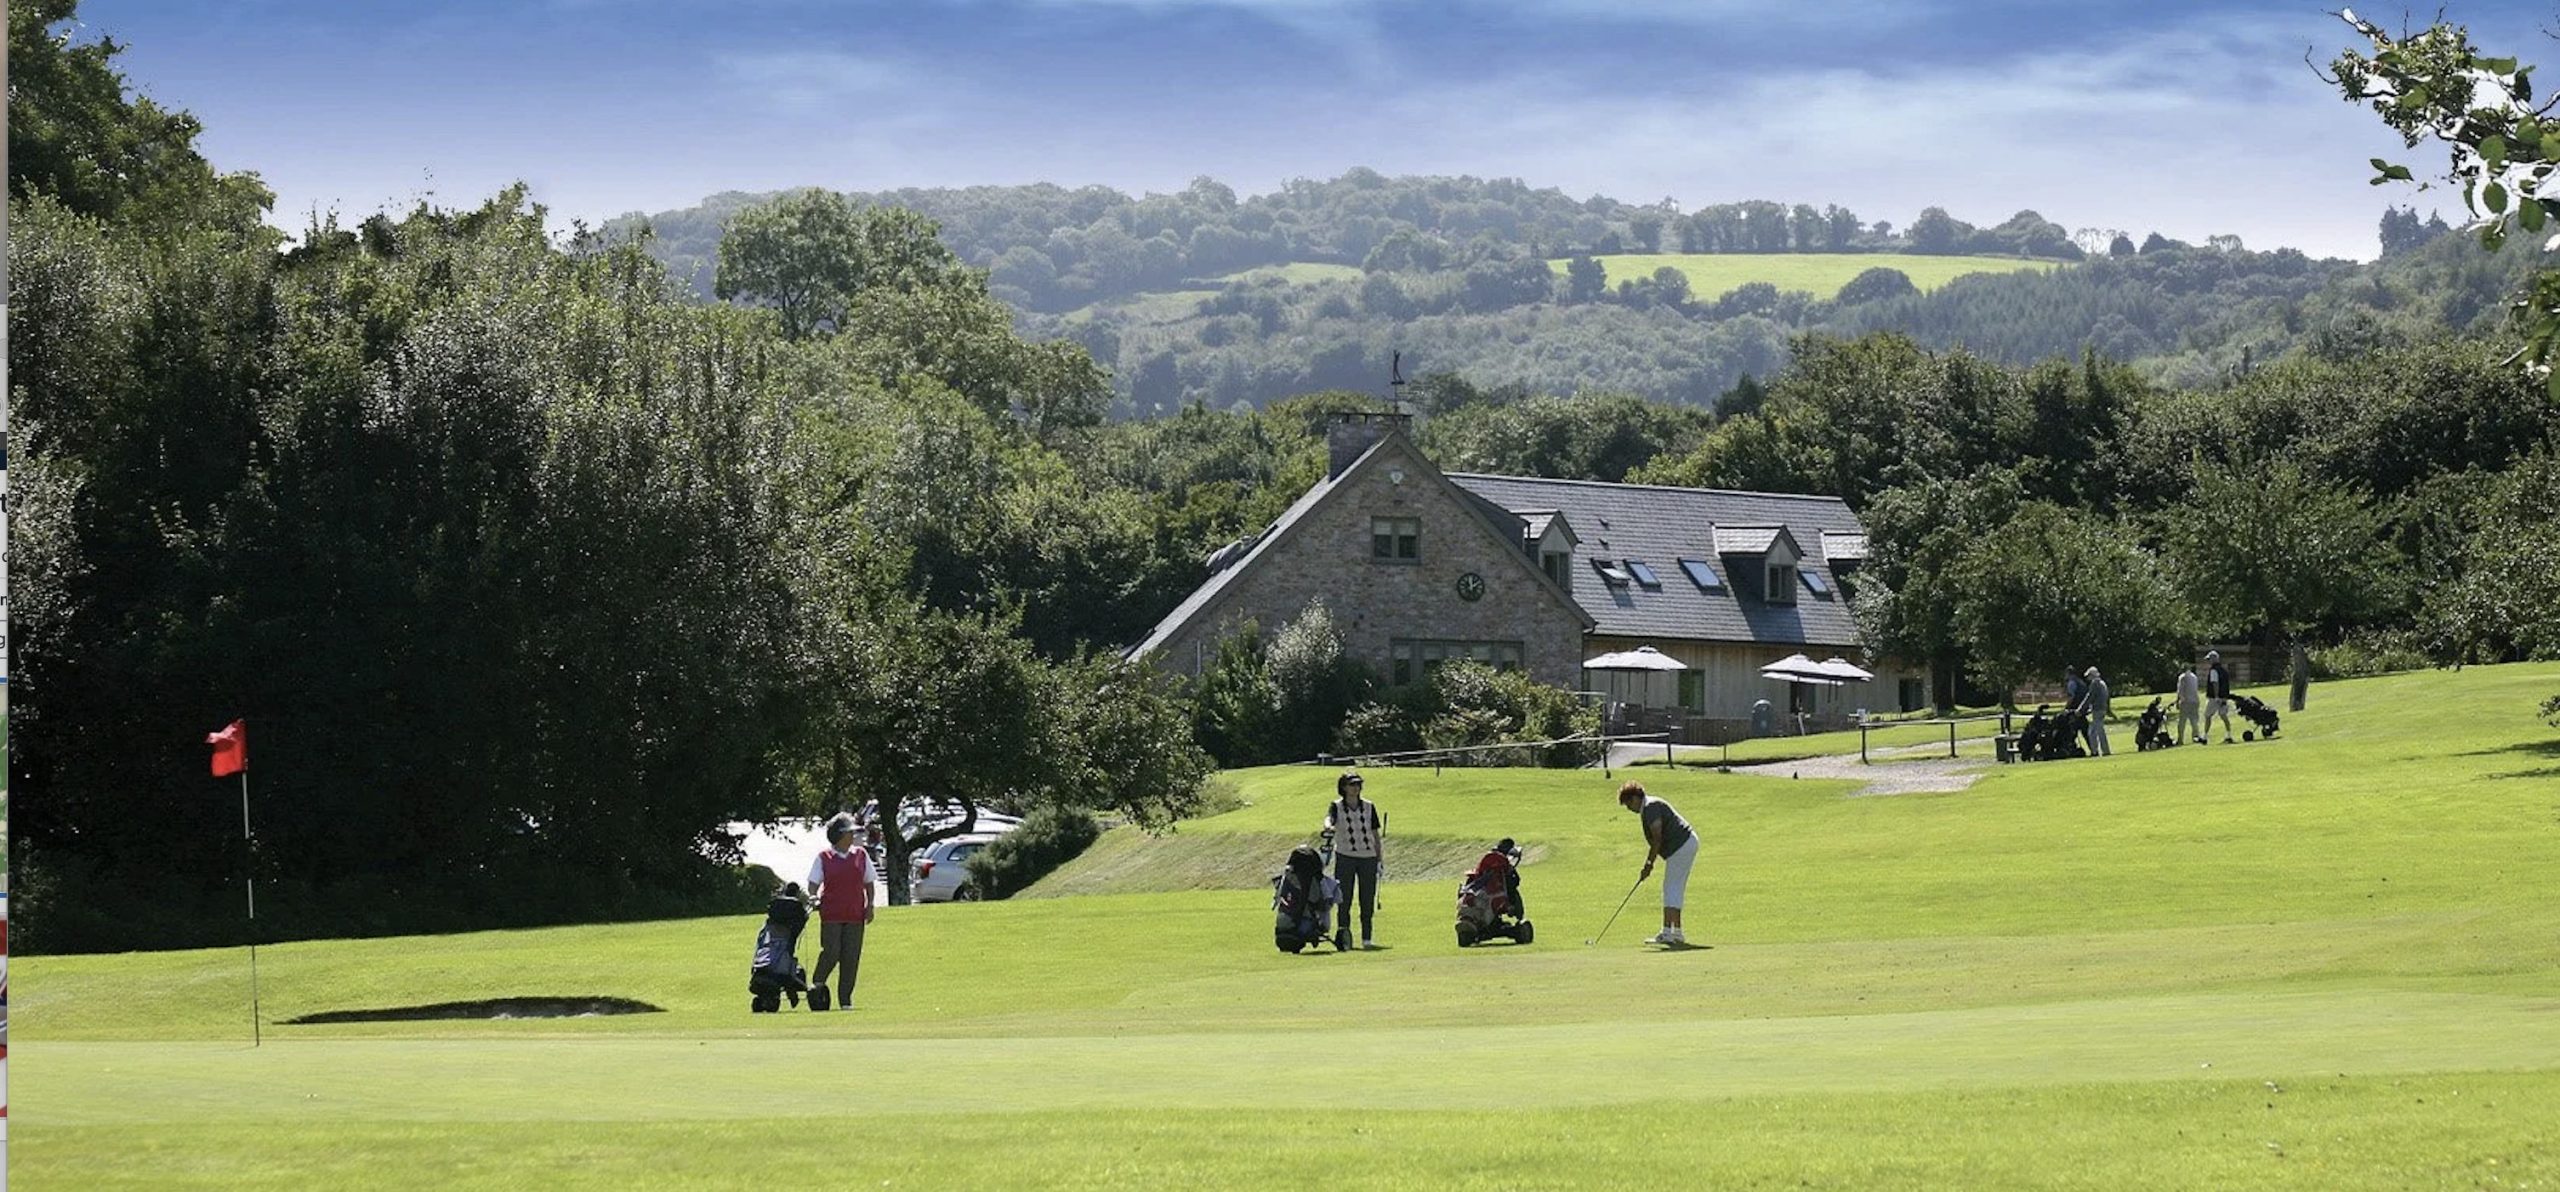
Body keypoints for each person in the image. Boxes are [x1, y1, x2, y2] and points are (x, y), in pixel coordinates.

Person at [805, 812, 875, 1011]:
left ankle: (845, 1000)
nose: (852, 836)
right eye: (848, 833)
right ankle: (817, 985)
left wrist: (869, 905)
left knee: (851, 957)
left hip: (855, 914)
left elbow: (868, 882)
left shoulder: (861, 855)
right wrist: (813, 896)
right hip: (832, 914)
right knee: (832, 952)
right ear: (838, 835)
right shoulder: (824, 857)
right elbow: (813, 883)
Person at [1618, 780, 1696, 946]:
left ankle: (1668, 932)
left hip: (1681, 845)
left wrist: (1648, 864)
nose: (1629, 808)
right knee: (1675, 888)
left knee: (1670, 888)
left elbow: (1657, 839)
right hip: (1686, 844)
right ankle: (1677, 933)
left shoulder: (1650, 807)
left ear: (1635, 798)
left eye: (1629, 803)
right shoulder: (1649, 807)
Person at [1324, 770, 1385, 948]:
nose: (1356, 788)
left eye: (1358, 784)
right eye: (1352, 784)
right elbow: (1329, 820)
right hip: (1345, 856)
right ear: (1344, 787)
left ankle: (1367, 938)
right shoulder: (1336, 806)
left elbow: (1375, 834)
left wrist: (1379, 860)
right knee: (1344, 898)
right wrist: (1328, 827)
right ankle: (1344, 937)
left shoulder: (1369, 806)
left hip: (1368, 857)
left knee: (1367, 899)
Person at [2076, 666, 2112, 757]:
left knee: (2097, 731)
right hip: (2102, 709)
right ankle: (2097, 750)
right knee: (2093, 731)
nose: (2088, 678)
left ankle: (2100, 751)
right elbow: (2106, 697)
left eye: (2088, 676)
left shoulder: (2095, 683)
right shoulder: (2102, 683)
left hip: (2097, 710)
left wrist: (2080, 709)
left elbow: (2090, 697)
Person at [2201, 650, 2235, 744]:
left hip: (2214, 698)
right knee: (2224, 716)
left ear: (2213, 659)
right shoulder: (2224, 670)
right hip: (2224, 697)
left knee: (2207, 716)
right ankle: (2229, 735)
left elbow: (2215, 683)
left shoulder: (2213, 670)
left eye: (2209, 659)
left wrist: (2216, 696)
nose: (2208, 661)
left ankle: (2205, 737)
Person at [2175, 661, 2203, 746]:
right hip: (2195, 700)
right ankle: (2196, 737)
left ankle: (2180, 739)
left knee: (2182, 722)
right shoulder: (2194, 677)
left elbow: (2180, 691)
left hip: (2186, 701)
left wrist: (2177, 701)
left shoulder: (2182, 677)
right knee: (2194, 721)